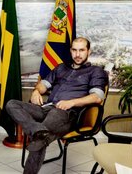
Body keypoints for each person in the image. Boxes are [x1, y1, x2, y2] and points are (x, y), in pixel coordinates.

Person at [6, 37, 108, 174]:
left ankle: (39, 134)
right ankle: (38, 130)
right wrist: (36, 91)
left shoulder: (96, 72)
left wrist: (71, 102)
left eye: (82, 50)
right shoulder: (61, 68)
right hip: (46, 108)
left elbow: (97, 97)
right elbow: (43, 85)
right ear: (70, 51)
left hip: (68, 114)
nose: (77, 54)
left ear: (88, 52)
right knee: (12, 104)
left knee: (40, 138)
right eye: (74, 50)